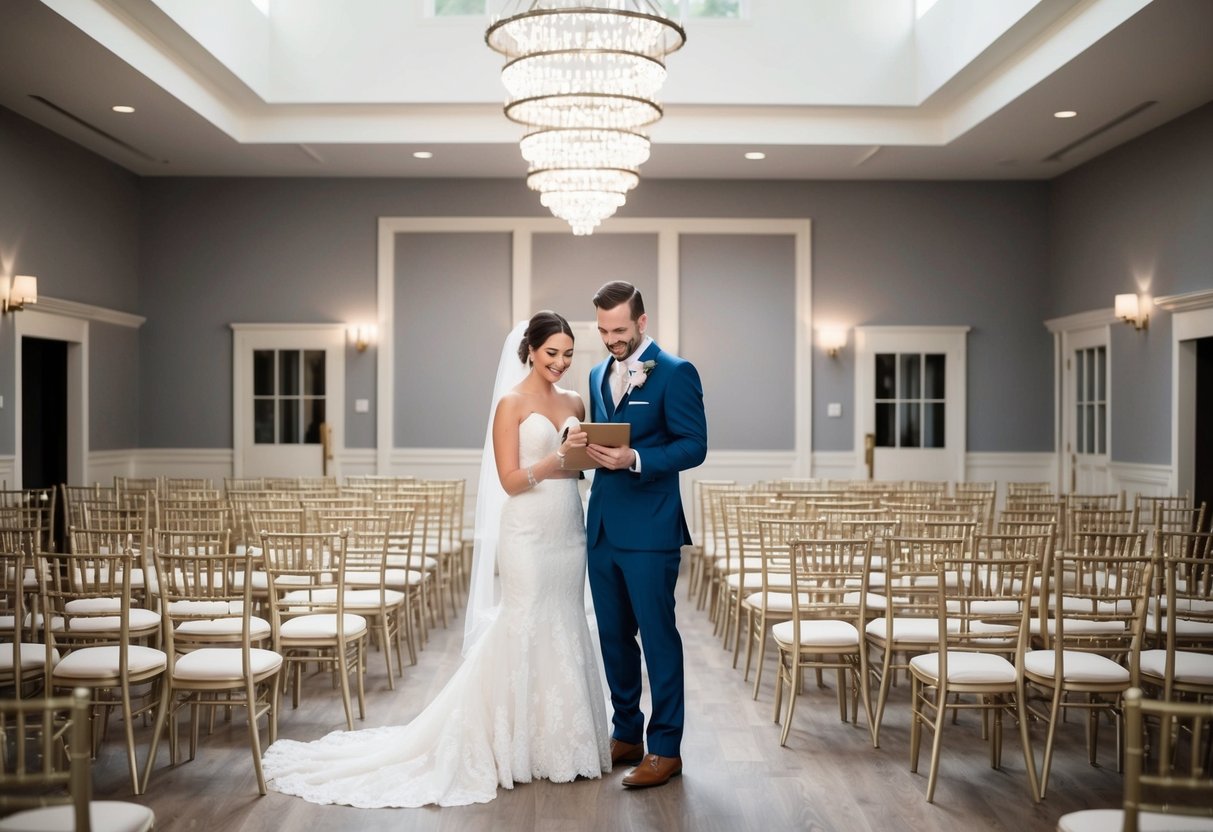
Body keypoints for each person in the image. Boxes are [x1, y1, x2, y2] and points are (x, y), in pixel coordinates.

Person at [261, 311, 610, 807]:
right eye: (552, 352)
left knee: (567, 621)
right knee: (526, 621)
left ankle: (562, 744)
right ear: (530, 349)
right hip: (527, 531)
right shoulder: (510, 404)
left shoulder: (577, 400)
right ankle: (508, 745)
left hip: (567, 528)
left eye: (568, 354)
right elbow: (509, 480)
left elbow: (578, 468)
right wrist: (557, 459)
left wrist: (591, 458)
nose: (560, 362)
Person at [582, 281, 708, 789]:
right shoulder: (595, 374)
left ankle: (666, 749)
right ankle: (626, 733)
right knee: (612, 636)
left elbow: (694, 446)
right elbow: (604, 433)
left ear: (641, 322)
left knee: (657, 638)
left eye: (619, 329)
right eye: (603, 331)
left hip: (652, 530)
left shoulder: (676, 372)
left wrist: (636, 459)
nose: (612, 340)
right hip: (603, 528)